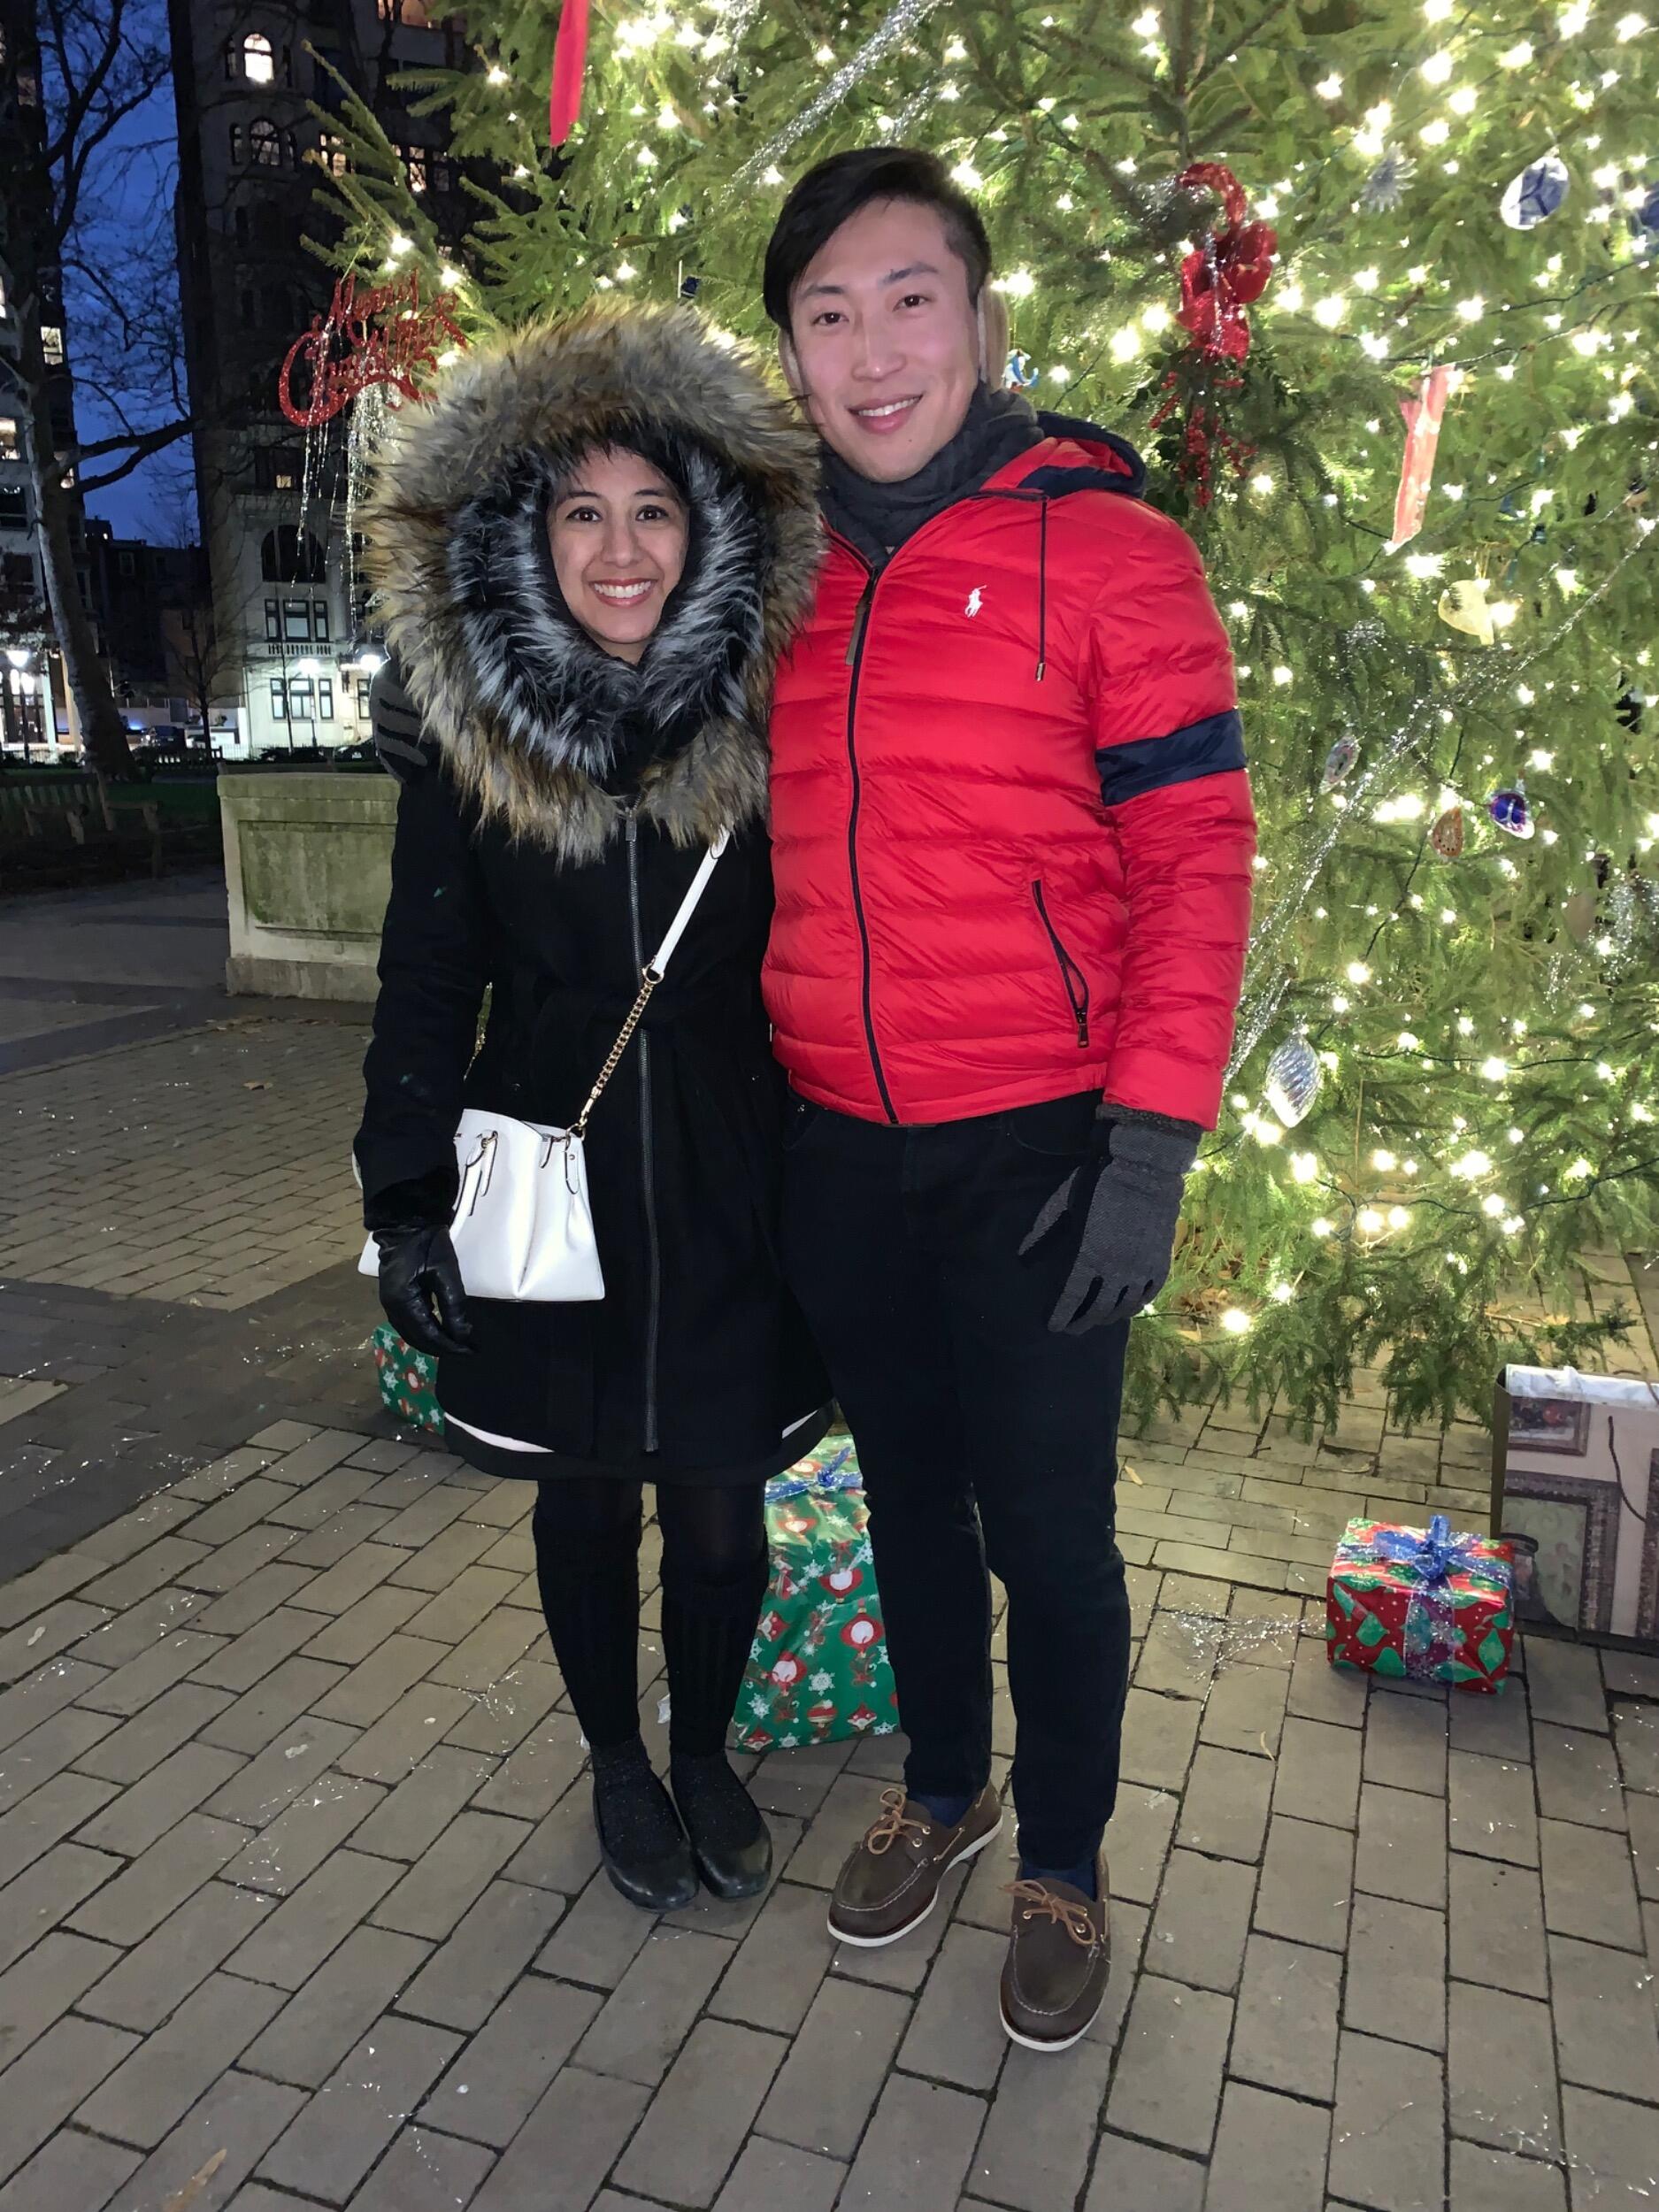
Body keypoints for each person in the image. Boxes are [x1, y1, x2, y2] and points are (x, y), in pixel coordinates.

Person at [760, 149, 1257, 2051]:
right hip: (839, 1151)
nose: (871, 346)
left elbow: (1193, 860)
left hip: (1038, 1150)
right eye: (826, 310)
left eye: (907, 297)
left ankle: (1060, 1852)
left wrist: (1147, 1146)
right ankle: (943, 1788)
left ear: (977, 318)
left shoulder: (1110, 552)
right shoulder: (773, 569)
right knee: (904, 1500)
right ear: (791, 351)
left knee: (1045, 1529)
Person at [353, 303, 830, 1912]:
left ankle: (704, 1750)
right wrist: (401, 1202)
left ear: (704, 535)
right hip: (545, 1165)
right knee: (585, 1492)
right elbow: (425, 981)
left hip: (727, 1168)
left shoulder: (781, 718)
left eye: (653, 511)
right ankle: (618, 1765)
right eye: (581, 512)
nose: (619, 551)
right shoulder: (474, 740)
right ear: (530, 534)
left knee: (716, 1500)